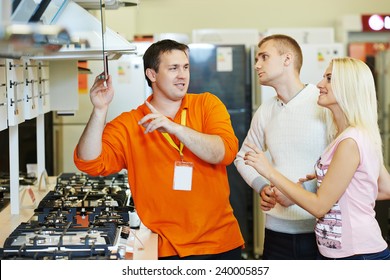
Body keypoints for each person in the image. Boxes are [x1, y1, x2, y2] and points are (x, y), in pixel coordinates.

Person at [73, 39, 244, 259]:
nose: (182, 75)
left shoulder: (207, 105)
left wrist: (174, 128)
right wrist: (99, 110)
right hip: (163, 247)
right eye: (173, 68)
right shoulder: (130, 123)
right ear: (152, 75)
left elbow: (224, 152)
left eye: (185, 67)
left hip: (220, 243)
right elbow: (89, 162)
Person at [244, 57, 390, 260]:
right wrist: (321, 183)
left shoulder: (350, 141)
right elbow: (383, 188)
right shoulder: (352, 134)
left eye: (329, 78)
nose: (320, 84)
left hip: (357, 254)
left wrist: (269, 171)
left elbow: (319, 206)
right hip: (345, 252)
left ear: (348, 87)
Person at [234, 34, 328, 259]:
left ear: (287, 59)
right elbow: (243, 157)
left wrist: (299, 193)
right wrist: (263, 186)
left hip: (320, 233)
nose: (257, 65)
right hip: (275, 233)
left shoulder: (323, 102)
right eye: (257, 59)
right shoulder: (266, 110)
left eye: (264, 57)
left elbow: (342, 165)